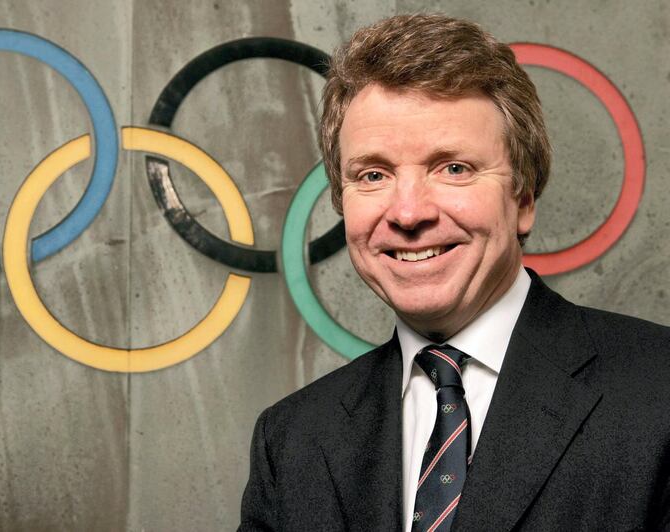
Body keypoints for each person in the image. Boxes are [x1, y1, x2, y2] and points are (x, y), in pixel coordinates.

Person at [238, 13, 670, 532]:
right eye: (373, 174)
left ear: (524, 198)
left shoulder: (657, 391)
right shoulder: (291, 440)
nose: (408, 212)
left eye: (454, 168)